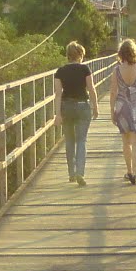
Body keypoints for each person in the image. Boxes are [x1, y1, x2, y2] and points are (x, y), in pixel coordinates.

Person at [53, 40, 99, 186]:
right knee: (81, 140)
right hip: (82, 106)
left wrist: (57, 114)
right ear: (80, 55)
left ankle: (71, 174)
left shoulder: (60, 71)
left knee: (69, 140)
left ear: (68, 55)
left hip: (66, 106)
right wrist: (95, 107)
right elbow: (91, 89)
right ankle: (80, 172)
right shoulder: (84, 69)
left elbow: (58, 94)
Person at [110, 39, 136, 185]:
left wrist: (112, 111)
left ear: (121, 54)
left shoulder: (116, 71)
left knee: (125, 141)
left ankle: (128, 171)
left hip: (122, 106)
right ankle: (135, 173)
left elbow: (113, 92)